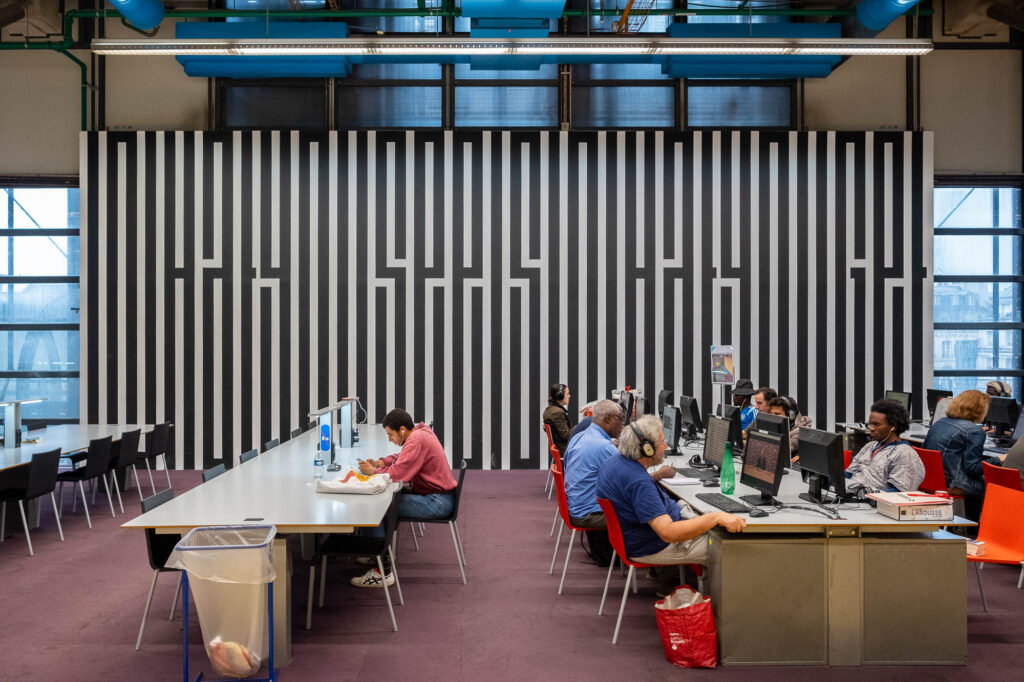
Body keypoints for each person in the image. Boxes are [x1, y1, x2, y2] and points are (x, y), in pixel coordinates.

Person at [595, 414, 746, 595]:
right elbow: (668, 533)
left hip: (636, 539)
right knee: (730, 545)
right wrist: (714, 517)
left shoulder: (616, 462)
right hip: (654, 546)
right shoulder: (638, 483)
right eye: (662, 442)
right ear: (647, 449)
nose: (665, 447)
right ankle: (723, 614)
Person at [352, 408, 457, 587]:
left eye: (390, 435)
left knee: (376, 506)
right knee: (381, 501)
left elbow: (398, 473)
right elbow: (403, 457)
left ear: (401, 429)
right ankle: (376, 555)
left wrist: (373, 471)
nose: (390, 440)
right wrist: (381, 462)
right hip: (436, 496)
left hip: (436, 502)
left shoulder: (416, 439)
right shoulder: (419, 433)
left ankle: (382, 571)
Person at [923, 390, 1001, 499]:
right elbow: (973, 468)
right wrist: (999, 459)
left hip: (931, 481)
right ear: (979, 409)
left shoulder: (939, 423)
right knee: (999, 487)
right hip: (955, 485)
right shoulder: (975, 431)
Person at [845, 399, 925, 493]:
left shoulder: (904, 454)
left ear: (893, 426)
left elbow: (899, 493)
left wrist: (867, 494)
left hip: (874, 503)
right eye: (870, 424)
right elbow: (849, 473)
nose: (871, 428)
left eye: (876, 424)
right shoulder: (870, 446)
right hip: (854, 494)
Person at [767, 395, 813, 460]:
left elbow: (776, 450)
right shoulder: (780, 427)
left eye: (777, 414)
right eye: (772, 414)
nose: (773, 417)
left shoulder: (801, 433)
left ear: (791, 415)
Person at [542, 383, 574, 455]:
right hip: (564, 449)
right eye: (567, 394)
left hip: (561, 447)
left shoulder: (550, 410)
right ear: (560, 396)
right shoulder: (556, 413)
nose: (569, 396)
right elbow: (566, 436)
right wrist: (583, 423)